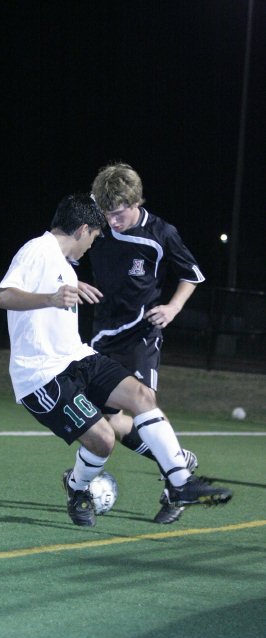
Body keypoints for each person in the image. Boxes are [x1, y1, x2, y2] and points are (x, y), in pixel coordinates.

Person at [0, 193, 231, 527]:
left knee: (141, 397)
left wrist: (68, 288)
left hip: (77, 358)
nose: (92, 245)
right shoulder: (37, 250)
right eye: (93, 236)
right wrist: (51, 297)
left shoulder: (62, 263)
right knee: (103, 440)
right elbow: (3, 296)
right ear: (82, 230)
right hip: (42, 377)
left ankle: (180, 483)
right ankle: (77, 489)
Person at [77, 161, 205, 524]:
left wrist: (173, 308)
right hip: (103, 335)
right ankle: (176, 458)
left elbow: (191, 276)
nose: (113, 222)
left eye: (118, 214)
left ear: (136, 202)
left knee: (144, 404)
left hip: (141, 335)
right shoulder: (97, 227)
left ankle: (176, 487)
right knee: (106, 424)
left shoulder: (161, 233)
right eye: (107, 215)